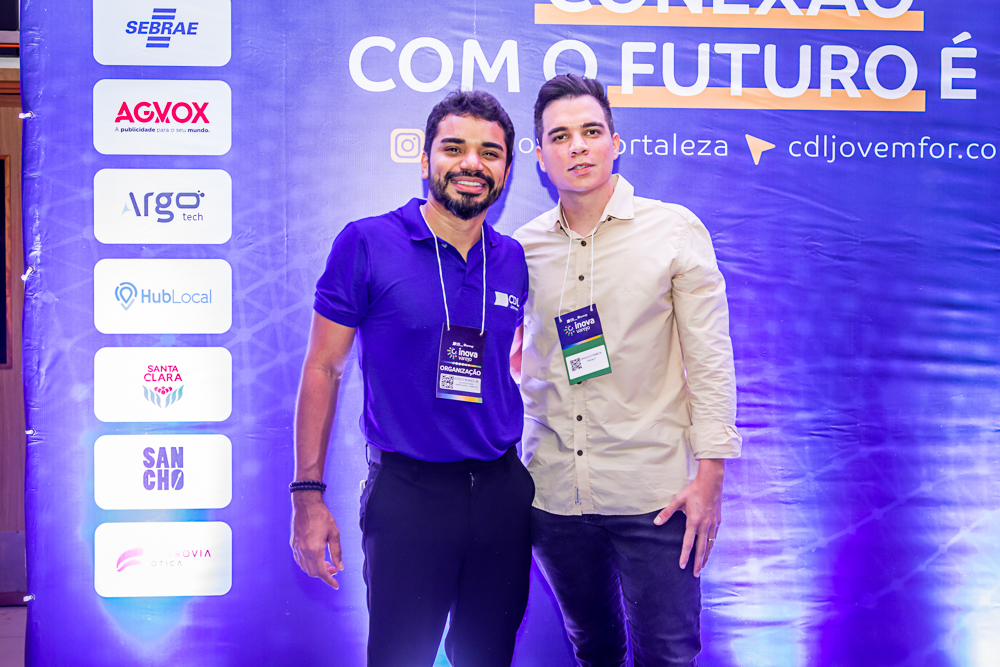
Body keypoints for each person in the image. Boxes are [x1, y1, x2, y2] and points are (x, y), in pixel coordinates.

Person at [290, 90, 533, 667]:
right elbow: (324, 367)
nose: (472, 163)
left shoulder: (513, 258)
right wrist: (307, 495)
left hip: (501, 492)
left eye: (490, 153)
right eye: (454, 148)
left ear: (506, 170)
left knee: (488, 657)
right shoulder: (367, 242)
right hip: (409, 495)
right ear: (425, 159)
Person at [514, 74, 742, 667]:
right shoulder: (521, 248)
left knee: (667, 655)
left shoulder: (673, 230)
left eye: (591, 132)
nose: (578, 147)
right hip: (555, 495)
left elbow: (710, 359)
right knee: (594, 650)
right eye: (560, 136)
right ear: (539, 157)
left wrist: (711, 475)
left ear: (615, 143)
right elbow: (512, 357)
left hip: (655, 495)